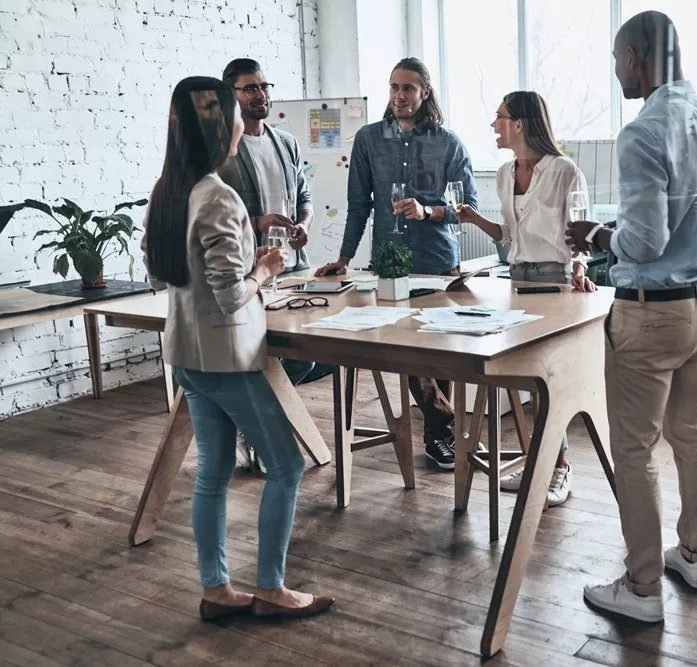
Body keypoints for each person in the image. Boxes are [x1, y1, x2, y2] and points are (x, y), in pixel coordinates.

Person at [566, 11, 697, 622]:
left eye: (618, 61)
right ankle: (694, 555)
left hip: (651, 316)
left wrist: (595, 232)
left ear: (636, 55)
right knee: (691, 435)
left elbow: (640, 243)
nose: (617, 74)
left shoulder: (642, 132)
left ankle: (642, 590)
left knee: (634, 452)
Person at [142, 76, 333, 621]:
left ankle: (215, 588)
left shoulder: (169, 190)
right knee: (288, 466)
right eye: (233, 116)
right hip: (226, 358)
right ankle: (271, 589)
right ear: (219, 128)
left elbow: (164, 270)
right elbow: (230, 296)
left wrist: (247, 241)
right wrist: (267, 268)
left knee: (214, 472)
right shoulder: (218, 196)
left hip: (186, 353)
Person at [314, 57, 478, 471]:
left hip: (438, 263)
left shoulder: (449, 143)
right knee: (409, 352)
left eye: (408, 88)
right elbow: (358, 206)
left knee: (438, 354)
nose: (399, 96)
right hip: (390, 264)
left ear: (425, 93)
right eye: (393, 87)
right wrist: (344, 259)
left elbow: (468, 208)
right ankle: (445, 429)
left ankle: (438, 435)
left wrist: (429, 211)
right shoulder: (369, 140)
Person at [455, 90, 596, 507]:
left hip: (556, 285)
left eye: (499, 118)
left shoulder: (564, 170)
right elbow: (507, 237)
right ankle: (542, 465)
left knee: (550, 382)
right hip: (517, 284)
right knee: (526, 382)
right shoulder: (503, 173)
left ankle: (560, 468)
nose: (494, 126)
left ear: (519, 122)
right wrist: (473, 218)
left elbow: (581, 235)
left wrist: (579, 270)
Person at [218, 58, 334, 390]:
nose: (260, 94)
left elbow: (304, 196)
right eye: (250, 88)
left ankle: (259, 415)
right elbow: (217, 214)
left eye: (263, 86)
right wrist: (259, 222)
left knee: (306, 352)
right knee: (266, 353)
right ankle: (258, 417)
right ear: (232, 95)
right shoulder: (224, 149)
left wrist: (305, 225)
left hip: (293, 268)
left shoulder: (286, 142)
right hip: (251, 268)